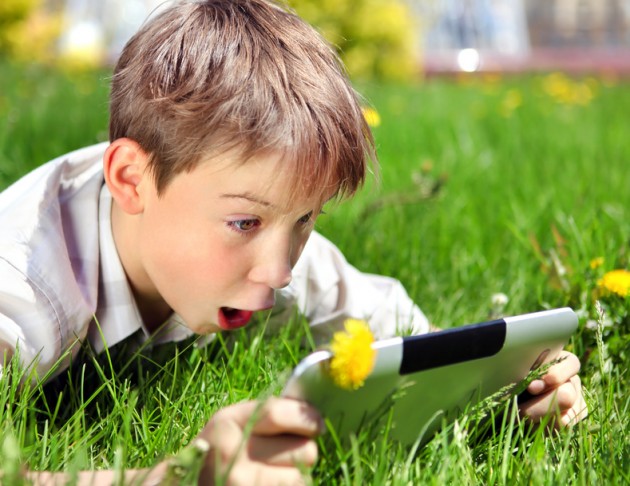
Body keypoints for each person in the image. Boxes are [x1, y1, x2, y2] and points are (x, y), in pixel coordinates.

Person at [0, 0, 587, 484]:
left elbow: (411, 335)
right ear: (132, 179)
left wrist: (513, 387)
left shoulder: (264, 240)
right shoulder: (24, 283)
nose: (280, 271)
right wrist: (178, 476)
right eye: (244, 224)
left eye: (306, 219)